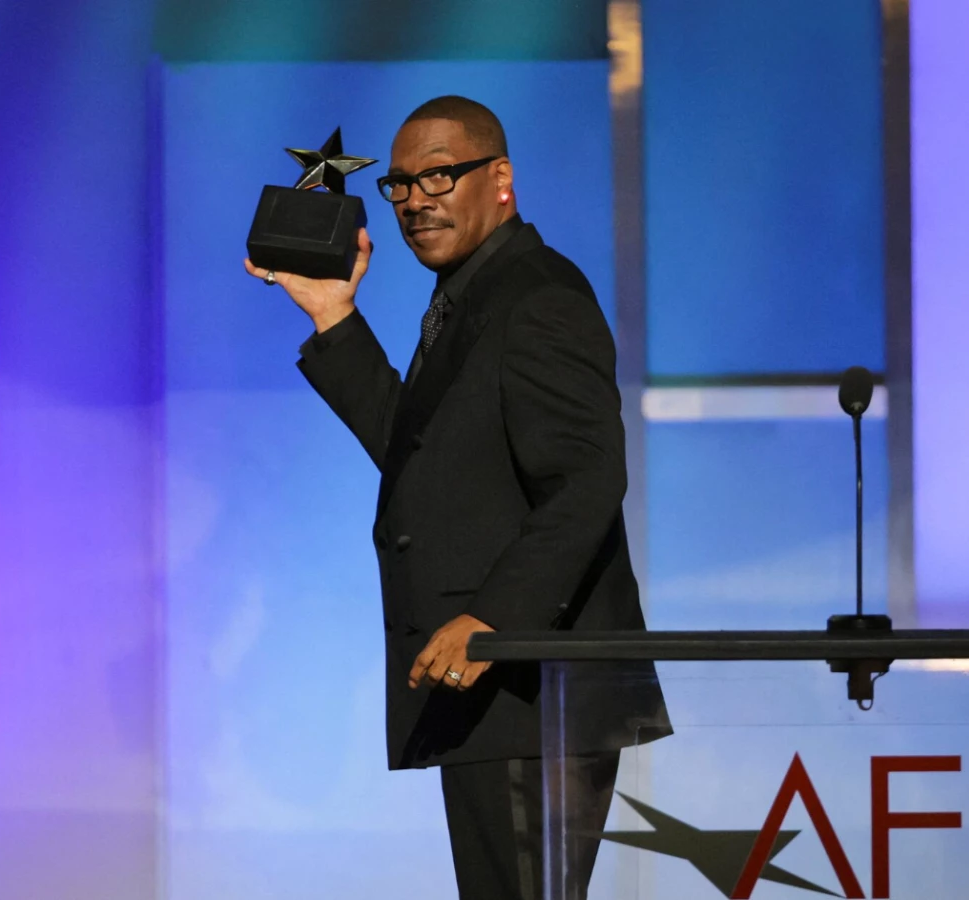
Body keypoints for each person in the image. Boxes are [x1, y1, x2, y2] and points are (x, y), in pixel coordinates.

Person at [244, 95, 669, 899]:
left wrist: (493, 621)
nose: (415, 201)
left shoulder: (536, 295)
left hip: (531, 687)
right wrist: (335, 317)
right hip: (495, 696)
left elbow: (587, 482)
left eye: (439, 176)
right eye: (400, 186)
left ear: (500, 178)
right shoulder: (471, 296)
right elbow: (424, 460)